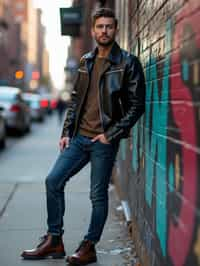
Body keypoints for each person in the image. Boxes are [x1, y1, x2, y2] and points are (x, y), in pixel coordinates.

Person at [21, 7, 145, 265]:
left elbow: (137, 105)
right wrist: (67, 131)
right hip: (78, 138)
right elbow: (76, 100)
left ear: (116, 29)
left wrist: (111, 134)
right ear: (92, 30)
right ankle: (54, 240)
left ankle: (89, 246)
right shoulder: (86, 61)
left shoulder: (128, 63)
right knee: (53, 181)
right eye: (100, 27)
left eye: (109, 26)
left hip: (103, 140)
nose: (104, 31)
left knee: (97, 195)